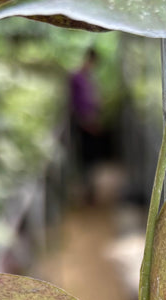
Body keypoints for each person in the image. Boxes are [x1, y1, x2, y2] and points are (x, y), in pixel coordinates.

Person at [68, 47, 103, 202]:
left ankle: (90, 190)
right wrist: (85, 122)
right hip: (83, 124)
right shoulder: (77, 78)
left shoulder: (88, 78)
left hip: (91, 123)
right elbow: (75, 104)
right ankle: (86, 191)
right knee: (85, 158)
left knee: (91, 158)